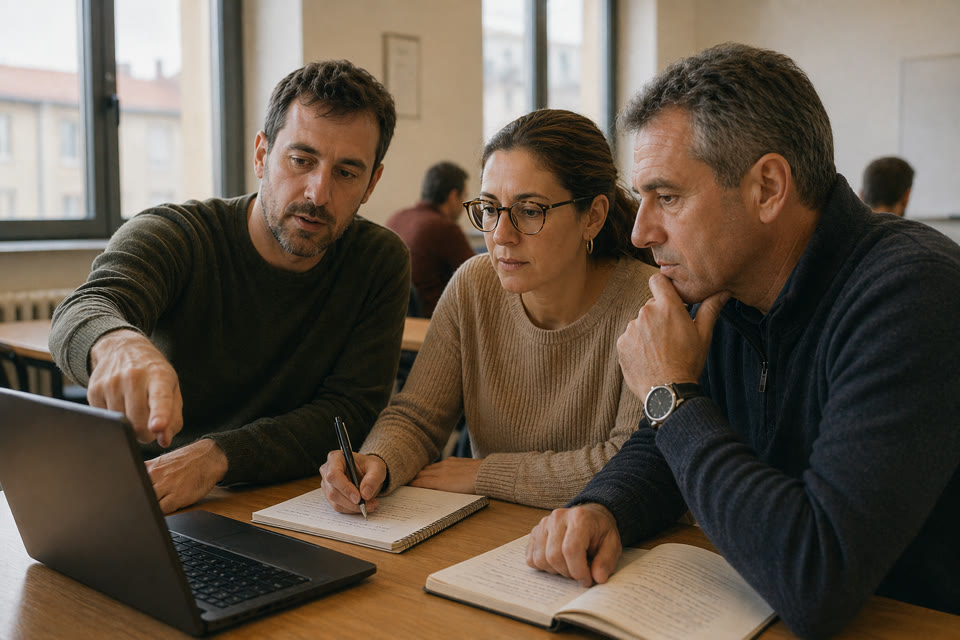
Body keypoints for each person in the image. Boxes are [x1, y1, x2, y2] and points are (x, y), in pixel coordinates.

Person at [525, 43, 960, 638]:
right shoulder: (723, 289)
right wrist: (604, 506)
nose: (640, 231)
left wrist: (669, 394)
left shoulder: (913, 293)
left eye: (668, 197)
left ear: (768, 187)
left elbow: (817, 576)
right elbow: (671, 445)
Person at [49, 60, 411, 514]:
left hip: (290, 504)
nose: (318, 193)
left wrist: (218, 456)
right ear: (261, 155)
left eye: (346, 173)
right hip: (153, 495)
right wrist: (117, 343)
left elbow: (349, 411)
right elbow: (84, 308)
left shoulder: (379, 261)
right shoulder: (177, 234)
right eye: (301, 160)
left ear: (372, 182)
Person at [319, 109, 660, 511]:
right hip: (493, 533)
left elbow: (631, 464)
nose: (500, 235)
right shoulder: (473, 285)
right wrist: (377, 461)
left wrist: (484, 474)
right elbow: (417, 418)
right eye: (489, 207)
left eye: (530, 210)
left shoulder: (647, 303)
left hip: (613, 540)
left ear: (594, 217)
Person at [386, 161, 476, 316]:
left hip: (395, 319)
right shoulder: (444, 228)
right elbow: (478, 277)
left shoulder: (396, 218)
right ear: (453, 196)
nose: (462, 206)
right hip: (433, 323)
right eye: (464, 197)